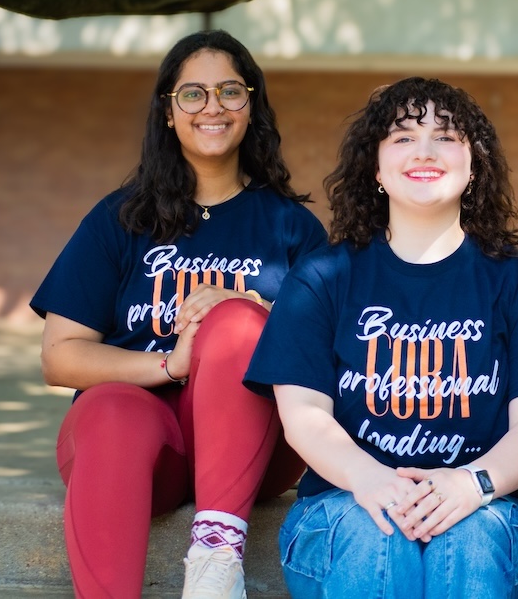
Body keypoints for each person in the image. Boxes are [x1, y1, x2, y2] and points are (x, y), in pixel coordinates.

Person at [243, 77, 518, 598]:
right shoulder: (322, 278)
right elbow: (304, 416)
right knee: (377, 534)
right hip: (344, 505)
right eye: (404, 137)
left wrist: (471, 483)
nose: (425, 151)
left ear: (474, 163)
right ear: (375, 165)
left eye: (447, 136)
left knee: (470, 537)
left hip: (494, 510)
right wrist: (370, 480)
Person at [30, 29, 328, 598]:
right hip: (140, 453)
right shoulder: (120, 219)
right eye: (192, 93)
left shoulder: (293, 228)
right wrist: (171, 364)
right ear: (168, 111)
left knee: (239, 323)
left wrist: (255, 307)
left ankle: (216, 567)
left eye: (230, 91)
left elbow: (331, 354)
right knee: (114, 408)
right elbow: (59, 357)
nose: (212, 106)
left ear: (251, 105)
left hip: (257, 450)